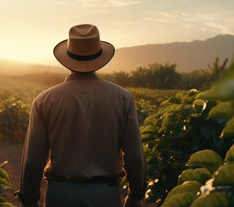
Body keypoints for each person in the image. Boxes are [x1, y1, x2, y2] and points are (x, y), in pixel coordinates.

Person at [17, 24, 146, 207]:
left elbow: (33, 160)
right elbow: (134, 156)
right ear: (99, 57)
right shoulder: (123, 98)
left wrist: (29, 199)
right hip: (105, 195)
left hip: (60, 195)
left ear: (68, 58)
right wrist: (136, 195)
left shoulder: (44, 100)